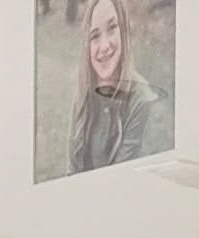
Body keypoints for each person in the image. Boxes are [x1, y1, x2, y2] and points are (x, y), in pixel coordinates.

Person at [68, 0, 165, 173]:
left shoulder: (142, 101)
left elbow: (121, 180)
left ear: (124, 32)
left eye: (112, 28)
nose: (104, 46)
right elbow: (72, 170)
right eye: (95, 36)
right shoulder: (83, 93)